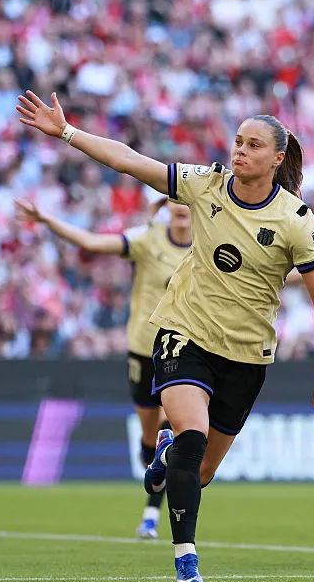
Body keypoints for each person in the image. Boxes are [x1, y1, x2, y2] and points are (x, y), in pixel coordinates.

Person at [17, 90, 314, 582]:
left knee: (202, 470)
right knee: (191, 435)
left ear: (277, 158)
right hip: (183, 332)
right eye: (238, 141)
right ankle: (186, 558)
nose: (240, 151)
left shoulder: (295, 220)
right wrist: (67, 132)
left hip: (247, 354)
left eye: (254, 145)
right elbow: (130, 161)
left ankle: (166, 458)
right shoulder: (204, 184)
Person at [15, 195, 191, 539]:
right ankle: (153, 471)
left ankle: (152, 515)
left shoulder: (210, 243)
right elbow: (92, 242)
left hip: (184, 350)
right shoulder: (146, 239)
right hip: (143, 349)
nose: (182, 206)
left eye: (187, 200)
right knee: (150, 437)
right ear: (165, 207)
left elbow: (252, 270)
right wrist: (48, 220)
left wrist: (310, 271)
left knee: (173, 430)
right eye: (174, 200)